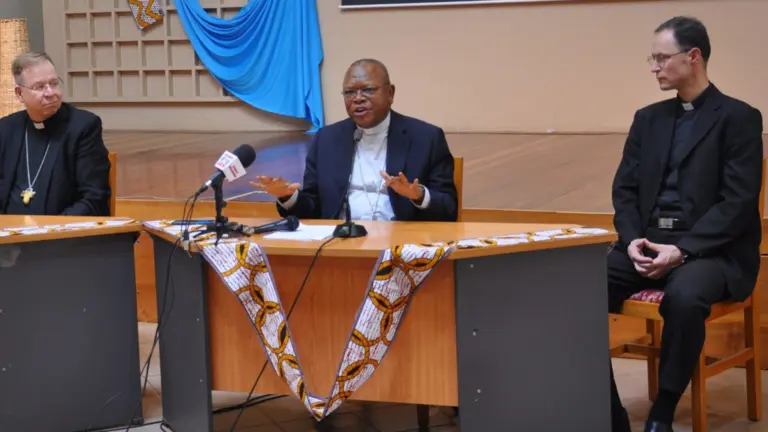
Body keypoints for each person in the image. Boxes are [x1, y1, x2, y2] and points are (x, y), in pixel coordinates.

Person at [609, 16, 763, 432]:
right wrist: (631, 240)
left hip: (713, 250)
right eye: (652, 59)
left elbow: (738, 201)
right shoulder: (648, 119)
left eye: (661, 58)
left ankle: (663, 411)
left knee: (686, 294)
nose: (654, 67)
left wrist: (682, 250)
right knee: (576, 284)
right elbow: (623, 190)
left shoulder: (741, 118)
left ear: (693, 57)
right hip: (648, 242)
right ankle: (609, 409)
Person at [251, 59, 458, 222]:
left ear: (390, 93)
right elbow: (313, 209)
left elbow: (449, 209)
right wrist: (288, 196)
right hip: (340, 246)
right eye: (350, 92)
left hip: (400, 246)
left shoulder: (426, 138)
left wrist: (419, 195)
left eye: (368, 90)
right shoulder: (327, 139)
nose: (358, 98)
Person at [0, 52, 111, 216]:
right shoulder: (6, 128)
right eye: (39, 87)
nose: (50, 92)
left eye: (54, 83)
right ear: (19, 94)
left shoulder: (83, 127)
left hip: (61, 235)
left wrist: (51, 230)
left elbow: (94, 198)